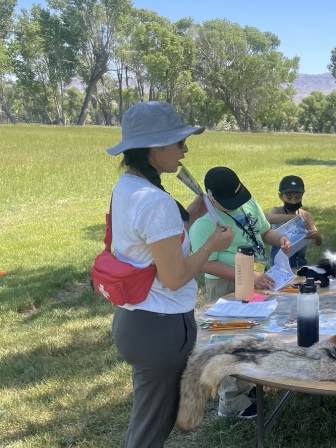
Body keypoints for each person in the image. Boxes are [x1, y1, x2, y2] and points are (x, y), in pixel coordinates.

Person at [106, 101, 235, 448]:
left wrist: (186, 220)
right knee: (151, 431)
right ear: (154, 147)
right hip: (159, 327)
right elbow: (175, 277)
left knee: (148, 422)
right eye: (179, 143)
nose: (185, 150)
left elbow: (149, 245)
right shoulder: (155, 201)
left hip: (137, 320)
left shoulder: (128, 187)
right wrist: (210, 243)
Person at [189, 166, 291, 419]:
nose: (236, 204)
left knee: (253, 332)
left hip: (256, 279)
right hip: (225, 285)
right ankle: (232, 401)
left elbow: (264, 232)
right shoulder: (204, 224)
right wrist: (247, 275)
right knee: (229, 340)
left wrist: (279, 239)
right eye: (228, 202)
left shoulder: (247, 202)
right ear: (211, 197)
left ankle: (248, 384)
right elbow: (205, 263)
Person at [266, 175, 323, 269]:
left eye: (297, 198)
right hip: (278, 265)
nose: (293, 202)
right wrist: (294, 217)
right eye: (289, 198)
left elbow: (318, 242)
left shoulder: (305, 215)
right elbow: (270, 218)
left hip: (300, 264)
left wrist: (315, 235)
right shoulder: (277, 211)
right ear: (281, 196)